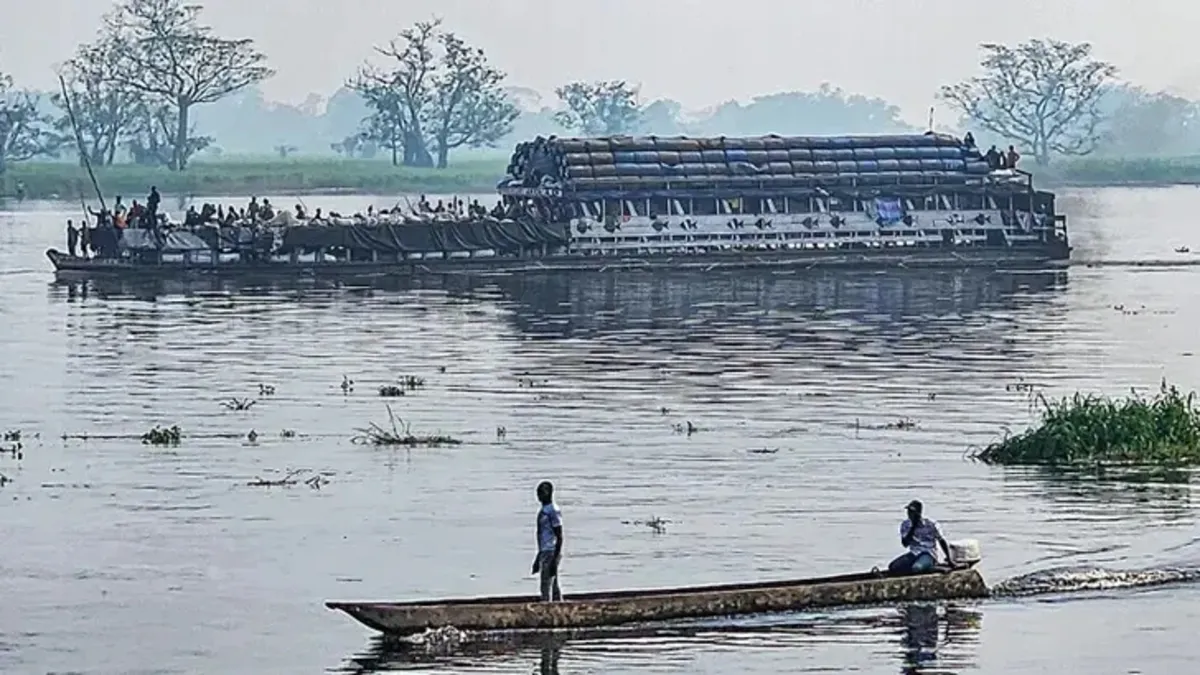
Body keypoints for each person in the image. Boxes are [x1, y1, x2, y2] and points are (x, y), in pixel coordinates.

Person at [889, 500, 950, 574]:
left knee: (916, 568)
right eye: (909, 512)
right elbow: (905, 544)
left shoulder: (931, 524)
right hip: (914, 553)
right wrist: (913, 527)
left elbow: (941, 540)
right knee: (893, 567)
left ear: (919, 513)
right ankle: (925, 568)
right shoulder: (906, 525)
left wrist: (949, 559)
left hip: (928, 553)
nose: (909, 514)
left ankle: (933, 567)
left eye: (912, 512)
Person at [531, 480, 564, 601]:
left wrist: (555, 560)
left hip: (551, 551)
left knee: (546, 585)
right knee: (553, 585)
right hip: (545, 551)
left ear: (549, 493)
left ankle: (546, 608)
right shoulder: (544, 510)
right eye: (538, 493)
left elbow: (559, 536)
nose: (540, 496)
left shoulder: (553, 511)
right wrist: (538, 558)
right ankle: (559, 607)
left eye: (543, 493)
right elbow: (541, 537)